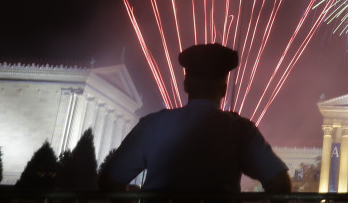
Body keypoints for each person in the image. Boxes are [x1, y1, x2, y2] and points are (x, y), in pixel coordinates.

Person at [99, 43, 291, 194]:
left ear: (186, 85)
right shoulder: (241, 130)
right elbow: (280, 184)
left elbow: (109, 180)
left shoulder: (152, 125)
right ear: (224, 89)